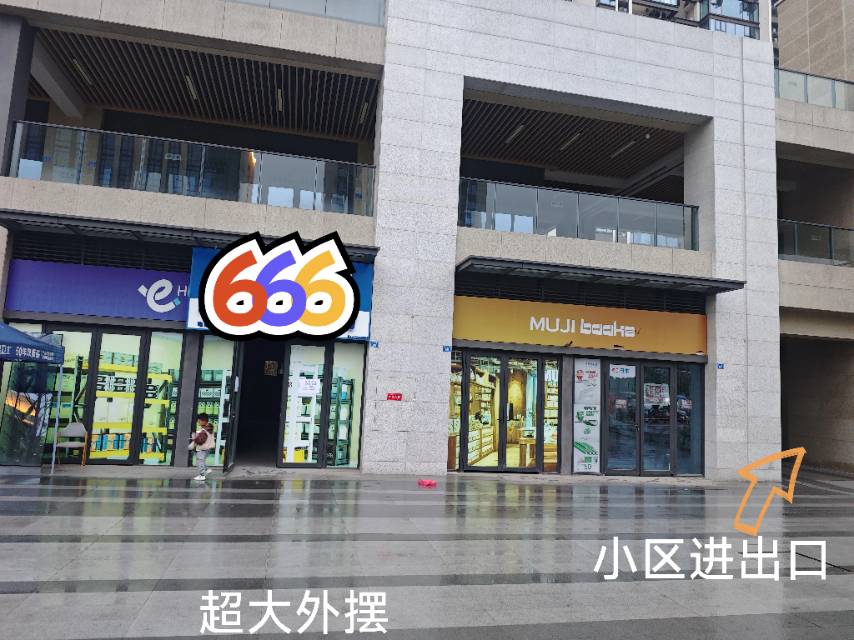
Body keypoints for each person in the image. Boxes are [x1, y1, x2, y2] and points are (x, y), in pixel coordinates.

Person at [190, 413, 215, 481]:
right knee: (201, 460)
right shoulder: (209, 428)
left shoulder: (205, 430)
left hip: (202, 448)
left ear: (203, 421)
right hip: (207, 448)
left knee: (199, 461)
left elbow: (200, 440)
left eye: (199, 421)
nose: (198, 422)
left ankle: (202, 475)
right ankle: (206, 470)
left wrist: (194, 438)